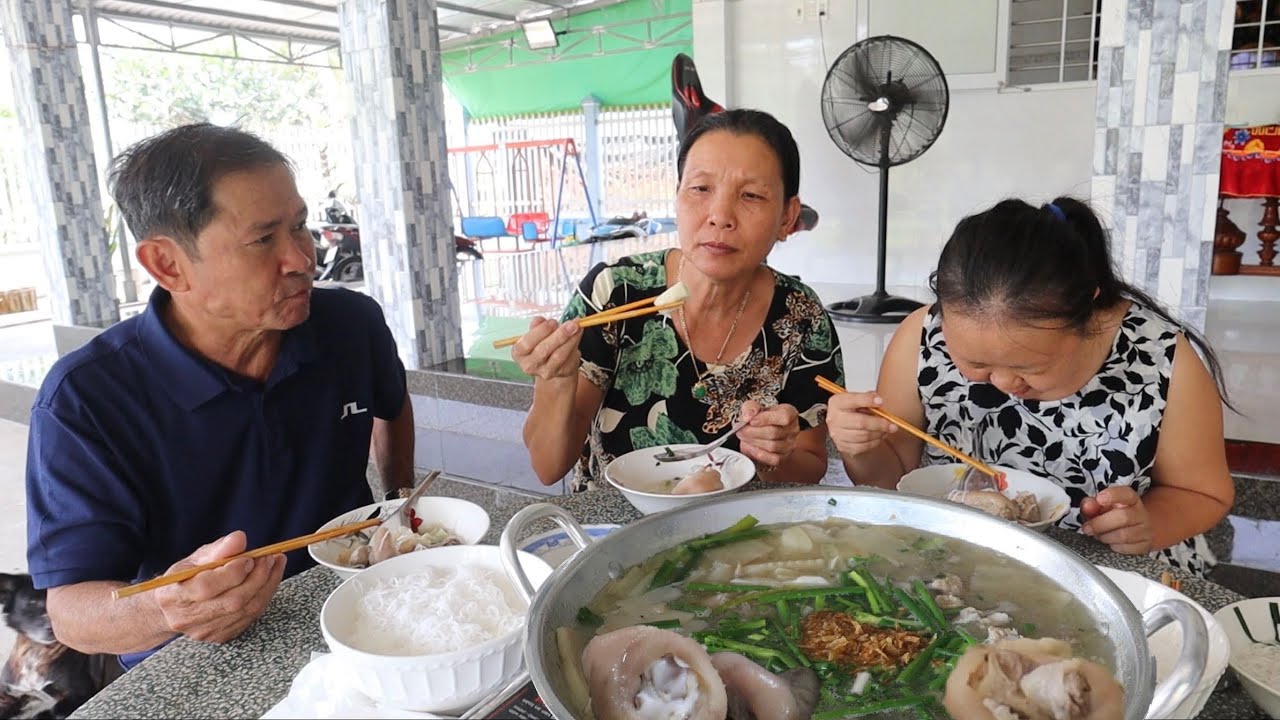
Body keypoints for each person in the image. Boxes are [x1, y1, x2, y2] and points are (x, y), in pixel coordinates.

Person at [25, 124, 415, 669]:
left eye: (301, 226)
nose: (303, 258)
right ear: (167, 264)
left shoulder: (351, 324)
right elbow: (71, 611)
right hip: (201, 652)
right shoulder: (86, 399)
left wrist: (399, 504)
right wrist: (170, 608)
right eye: (263, 239)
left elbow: (391, 406)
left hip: (359, 613)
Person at [827, 197, 1234, 576]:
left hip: (1115, 571)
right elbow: (889, 481)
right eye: (976, 364)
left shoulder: (1159, 358)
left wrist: (1147, 525)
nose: (1003, 383)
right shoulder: (919, 338)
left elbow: (1204, 492)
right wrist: (858, 446)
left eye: (1028, 367)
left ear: (1087, 311)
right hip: (956, 562)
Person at [513, 109, 844, 491]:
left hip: (736, 532)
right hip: (614, 528)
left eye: (751, 195)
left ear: (788, 216)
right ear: (677, 197)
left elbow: (811, 463)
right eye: (700, 189)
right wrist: (554, 380)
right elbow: (548, 466)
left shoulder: (801, 315)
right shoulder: (615, 292)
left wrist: (774, 455)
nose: (720, 216)